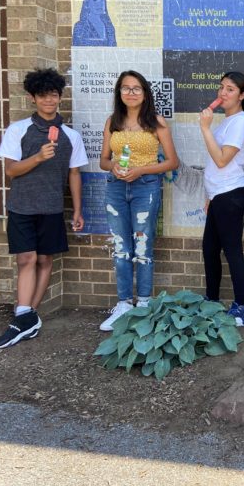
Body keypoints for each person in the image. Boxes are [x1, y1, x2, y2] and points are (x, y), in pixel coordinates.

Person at [0, 68, 88, 349]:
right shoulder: (18, 130)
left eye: (54, 95)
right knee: (26, 259)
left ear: (60, 97)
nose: (49, 101)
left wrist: (77, 210)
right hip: (22, 206)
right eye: (43, 96)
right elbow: (11, 170)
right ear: (32, 98)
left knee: (45, 260)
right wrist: (37, 157)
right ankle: (24, 316)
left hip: (51, 208)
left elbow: (74, 174)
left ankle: (28, 316)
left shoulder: (70, 136)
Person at [98, 70, 179, 331]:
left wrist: (141, 170)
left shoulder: (156, 122)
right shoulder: (112, 122)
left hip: (146, 187)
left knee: (143, 248)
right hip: (116, 188)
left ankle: (143, 303)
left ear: (145, 94)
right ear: (119, 93)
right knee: (122, 248)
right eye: (125, 88)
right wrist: (113, 167)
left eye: (136, 88)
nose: (130, 93)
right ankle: (124, 304)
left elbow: (172, 161)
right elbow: (103, 160)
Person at [199, 72, 244, 327]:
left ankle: (243, 308)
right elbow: (215, 164)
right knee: (210, 250)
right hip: (219, 195)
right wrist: (210, 195)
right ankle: (211, 301)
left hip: (231, 194)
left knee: (232, 251)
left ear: (242, 96)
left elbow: (222, 159)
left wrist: (204, 128)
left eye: (230, 89)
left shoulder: (240, 122)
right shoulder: (227, 121)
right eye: (221, 87)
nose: (222, 93)